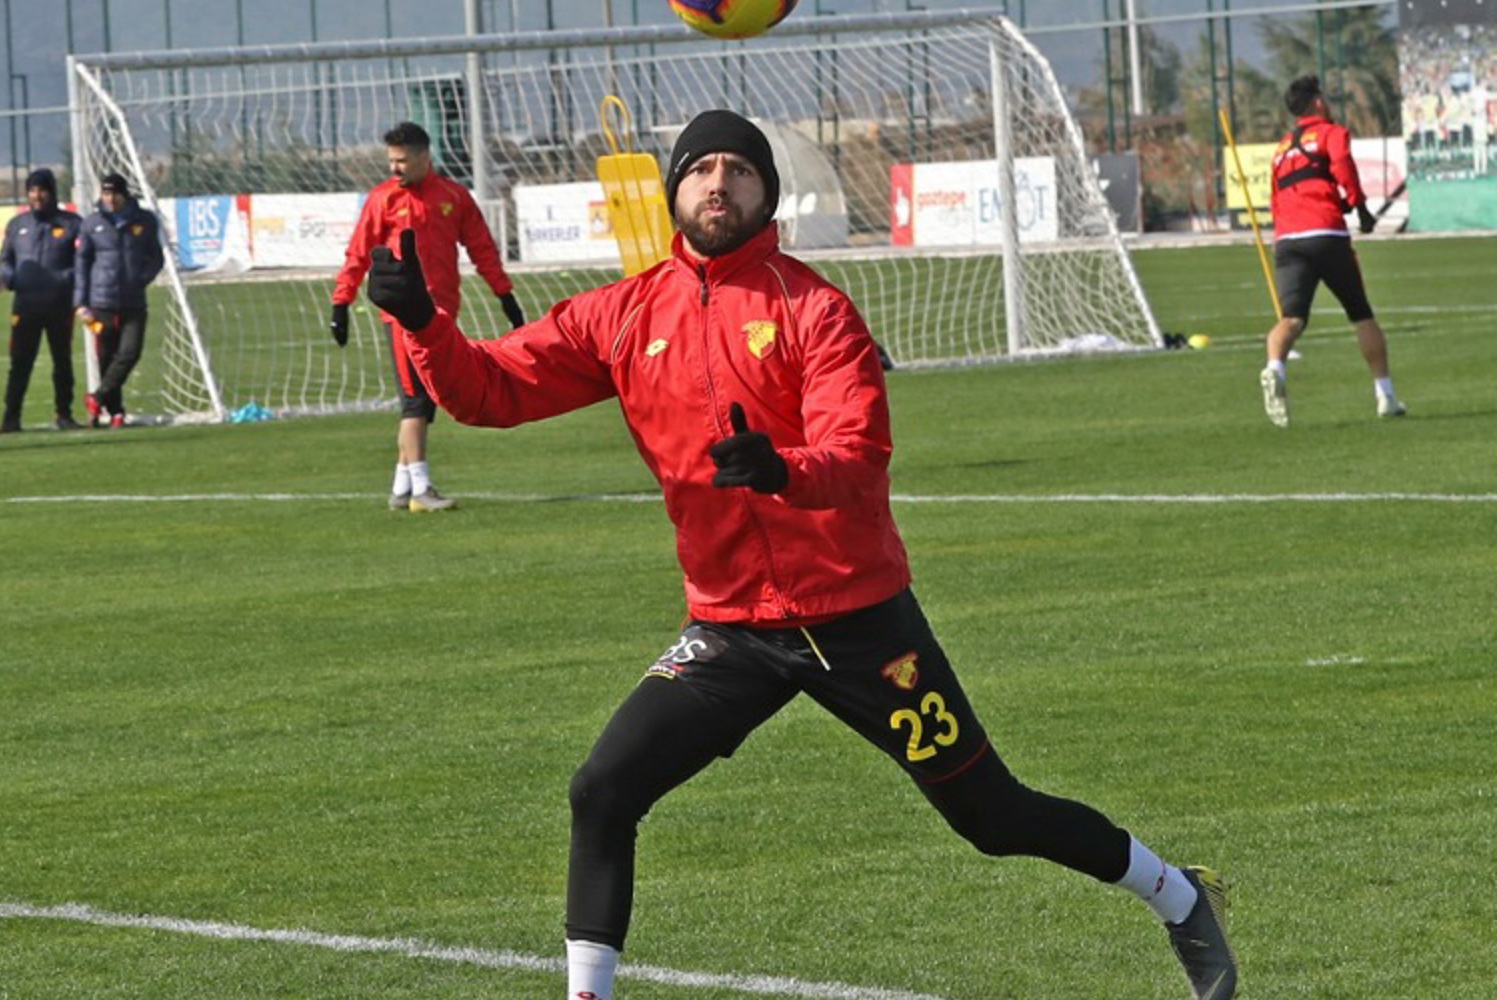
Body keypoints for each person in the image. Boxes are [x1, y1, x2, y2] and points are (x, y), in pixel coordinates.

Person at [367, 109, 1239, 1000]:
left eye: (740, 170)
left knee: (993, 816)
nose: (719, 184)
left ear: (767, 194)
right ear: (673, 190)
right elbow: (489, 390)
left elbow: (858, 457)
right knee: (602, 789)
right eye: (701, 169)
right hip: (731, 632)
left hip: (860, 622)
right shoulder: (623, 314)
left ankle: (1178, 896)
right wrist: (424, 323)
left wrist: (783, 470)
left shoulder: (815, 310)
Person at [330, 120, 525, 513]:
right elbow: (358, 253)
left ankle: (401, 487)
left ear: (424, 157)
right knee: (415, 403)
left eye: (401, 160)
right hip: (402, 317)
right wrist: (341, 303)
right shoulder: (382, 199)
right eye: (391, 161)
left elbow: (482, 248)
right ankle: (421, 488)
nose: (394, 168)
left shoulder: (454, 197)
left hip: (443, 316)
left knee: (427, 400)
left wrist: (504, 295)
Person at [1260, 75, 1405, 428]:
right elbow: (1344, 169)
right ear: (1318, 102)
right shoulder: (1331, 133)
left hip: (1287, 239)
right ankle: (1385, 395)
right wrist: (1361, 209)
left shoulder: (1281, 149)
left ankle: (1275, 367)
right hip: (1325, 234)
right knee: (1361, 314)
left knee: (1291, 319)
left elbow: (1278, 197)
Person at [0, 168, 84, 433]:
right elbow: (5, 259)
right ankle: (11, 418)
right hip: (25, 305)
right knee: (20, 363)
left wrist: (64, 279)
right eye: (32, 190)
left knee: (62, 361)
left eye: (42, 190)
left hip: (60, 305)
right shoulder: (17, 225)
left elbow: (83, 262)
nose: (37, 195)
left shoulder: (72, 223)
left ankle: (64, 414)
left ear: (52, 192)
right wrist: (12, 278)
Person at [74, 172, 164, 428]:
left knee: (130, 353)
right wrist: (80, 303)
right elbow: (81, 264)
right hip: (101, 303)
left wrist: (140, 279)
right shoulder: (91, 223)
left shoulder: (145, 221)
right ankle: (115, 412)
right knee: (106, 359)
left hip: (134, 302)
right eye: (106, 193)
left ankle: (97, 398)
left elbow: (156, 258)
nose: (110, 199)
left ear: (125, 195)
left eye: (114, 193)